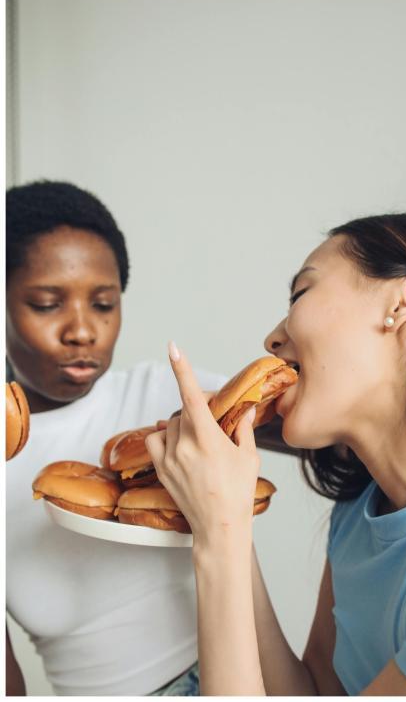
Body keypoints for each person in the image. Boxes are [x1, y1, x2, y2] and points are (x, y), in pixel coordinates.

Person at [146, 213, 406, 696]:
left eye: (300, 294)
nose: (271, 340)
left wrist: (221, 535)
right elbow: (315, 689)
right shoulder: (361, 509)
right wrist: (219, 513)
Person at [5, 180, 288, 696]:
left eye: (104, 304)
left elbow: (324, 429)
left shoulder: (160, 394)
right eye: (47, 304)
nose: (82, 331)